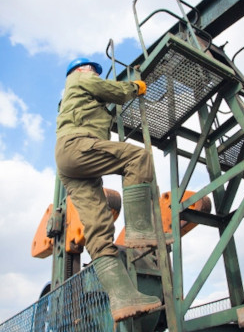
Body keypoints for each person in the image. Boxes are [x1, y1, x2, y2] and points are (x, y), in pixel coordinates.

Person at [55, 58, 161, 322]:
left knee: (98, 229)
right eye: (92, 69)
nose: (94, 73)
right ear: (79, 70)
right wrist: (135, 87)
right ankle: (140, 231)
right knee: (138, 158)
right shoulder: (79, 79)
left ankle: (123, 299)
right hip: (78, 146)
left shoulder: (73, 98)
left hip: (68, 162)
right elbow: (113, 91)